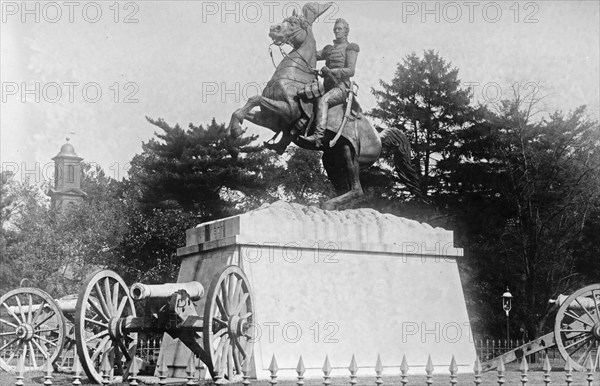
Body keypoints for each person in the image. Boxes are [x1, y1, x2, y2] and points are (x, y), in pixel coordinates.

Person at [300, 18, 360, 148]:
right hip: (327, 86)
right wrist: (299, 41)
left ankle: (318, 135)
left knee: (323, 101)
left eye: (340, 29)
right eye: (335, 29)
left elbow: (350, 71)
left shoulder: (351, 47)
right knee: (304, 97)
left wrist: (330, 71)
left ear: (346, 31)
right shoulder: (329, 49)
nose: (337, 31)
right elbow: (311, 55)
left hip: (340, 87)